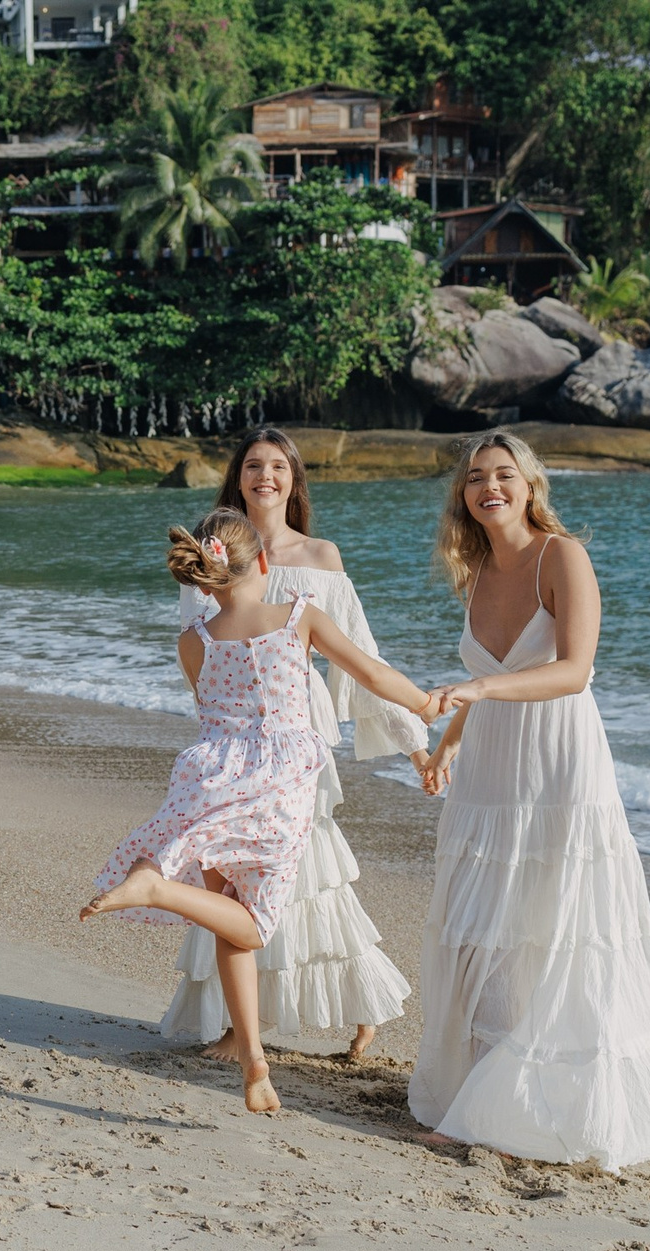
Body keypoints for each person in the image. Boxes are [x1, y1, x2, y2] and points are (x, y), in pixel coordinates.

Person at [410, 432, 650, 1168]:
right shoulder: (477, 569)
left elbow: (573, 671)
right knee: (486, 927)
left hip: (558, 765)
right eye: (477, 477)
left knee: (554, 925)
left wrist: (480, 689)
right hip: (490, 769)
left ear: (530, 484)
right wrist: (451, 740)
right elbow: (487, 674)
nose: (490, 487)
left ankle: (541, 1101)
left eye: (504, 475)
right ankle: (483, 1094)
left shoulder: (562, 556)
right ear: (463, 494)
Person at [85, 508, 439, 1114]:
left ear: (203, 579)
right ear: (266, 565)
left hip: (212, 774)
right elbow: (371, 673)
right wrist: (426, 706)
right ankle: (157, 889)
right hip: (279, 781)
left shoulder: (191, 641)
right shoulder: (299, 616)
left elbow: (212, 712)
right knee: (251, 926)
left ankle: (254, 1062)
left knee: (229, 920)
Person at [170, 428, 429, 1064]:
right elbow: (198, 647)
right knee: (236, 872)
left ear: (294, 478)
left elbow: (362, 659)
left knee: (310, 869)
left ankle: (357, 1002)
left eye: (278, 466)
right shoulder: (215, 551)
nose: (266, 476)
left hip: (298, 732)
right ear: (237, 476)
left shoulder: (321, 556)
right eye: (254, 465)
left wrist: (416, 744)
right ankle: (242, 1027)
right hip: (235, 740)